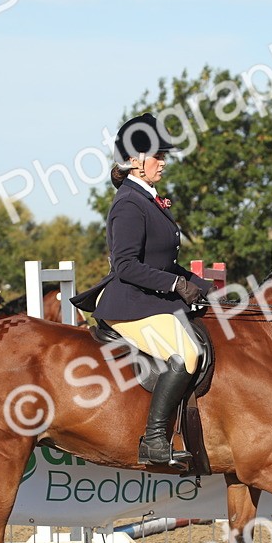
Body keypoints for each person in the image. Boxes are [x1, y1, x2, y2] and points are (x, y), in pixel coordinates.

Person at [71, 112, 212, 468]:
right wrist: (175, 285)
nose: (163, 162)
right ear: (135, 162)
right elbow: (126, 266)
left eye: (163, 156)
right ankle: (153, 440)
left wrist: (201, 287)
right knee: (186, 355)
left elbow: (162, 262)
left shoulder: (150, 200)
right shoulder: (129, 204)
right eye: (158, 156)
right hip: (128, 303)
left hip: (150, 297)